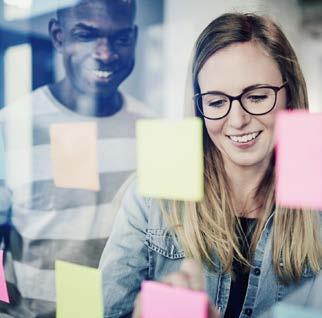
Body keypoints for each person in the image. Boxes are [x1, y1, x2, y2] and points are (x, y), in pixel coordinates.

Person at [99, 12, 322, 318]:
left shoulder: (314, 203)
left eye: (257, 97)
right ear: (199, 109)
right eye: (216, 103)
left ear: (290, 95)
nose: (238, 120)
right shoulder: (153, 198)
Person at [0, 0, 154, 317]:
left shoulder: (153, 130)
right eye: (86, 35)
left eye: (121, 39)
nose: (106, 53)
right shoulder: (10, 127)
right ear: (58, 36)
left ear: (135, 38)